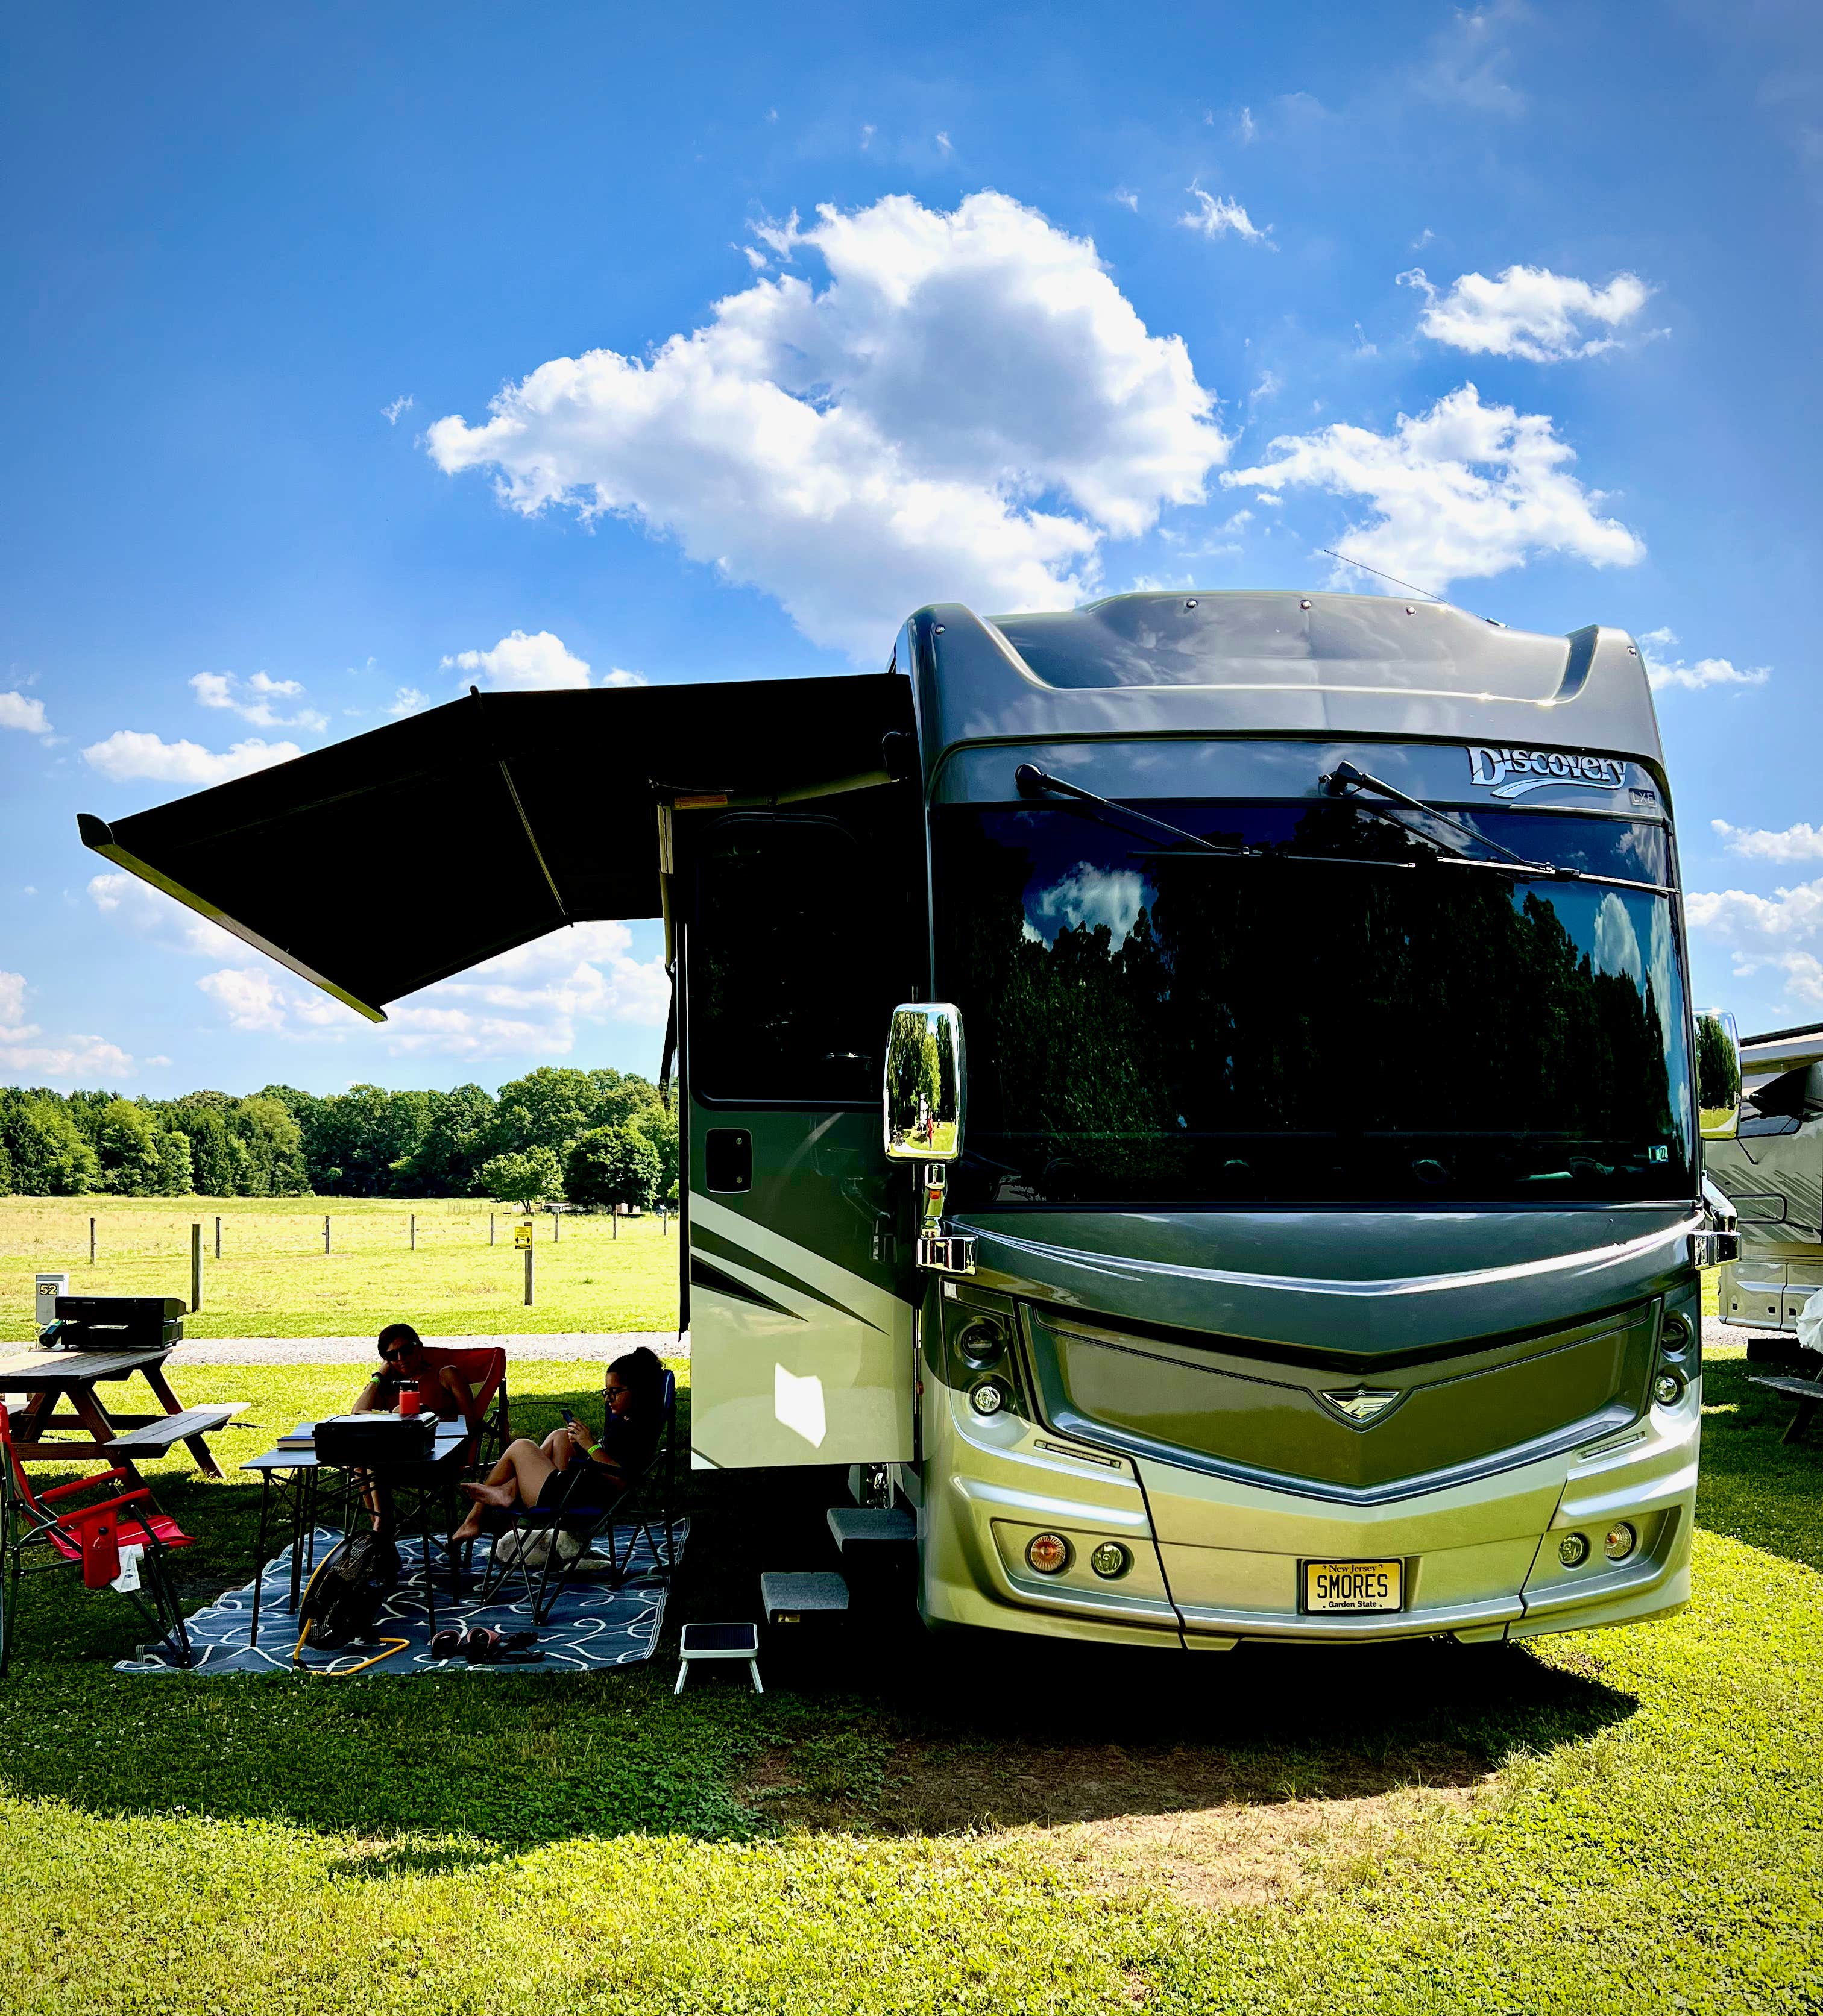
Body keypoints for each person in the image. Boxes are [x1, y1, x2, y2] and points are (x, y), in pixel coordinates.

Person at [451, 1346, 664, 1545]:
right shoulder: (628, 1419)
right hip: (580, 1488)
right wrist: (581, 1447)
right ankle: (509, 1491)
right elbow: (606, 1462)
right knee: (560, 1436)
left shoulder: (639, 1430)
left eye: (614, 1392)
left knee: (521, 1446)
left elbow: (622, 1481)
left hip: (578, 1500)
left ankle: (477, 1516)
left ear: (638, 1391)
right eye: (606, 1391)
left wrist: (590, 1446)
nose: (608, 1399)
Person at [353, 1322, 483, 1437]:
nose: (401, 1358)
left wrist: (427, 1418)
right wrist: (378, 1377)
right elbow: (356, 1416)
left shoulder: (445, 1375)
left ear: (419, 1348)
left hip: (436, 1447)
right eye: (392, 1355)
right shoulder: (387, 1385)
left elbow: (470, 1422)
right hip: (392, 1450)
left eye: (406, 1350)